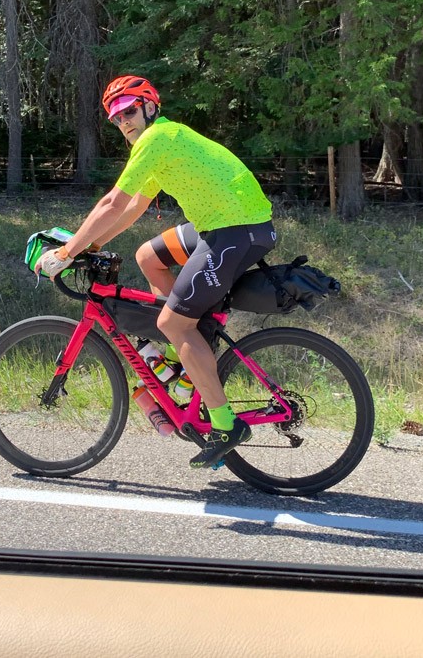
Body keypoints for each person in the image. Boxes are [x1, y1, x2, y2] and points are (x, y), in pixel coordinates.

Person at [35, 75, 276, 469]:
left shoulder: (156, 139)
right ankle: (184, 361)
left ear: (149, 106)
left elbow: (113, 202)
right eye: (115, 118)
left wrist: (67, 251)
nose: (123, 122)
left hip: (237, 230)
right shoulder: (160, 142)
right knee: (149, 256)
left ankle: (225, 424)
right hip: (222, 225)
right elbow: (132, 209)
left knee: (174, 323)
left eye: (129, 111)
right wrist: (90, 246)